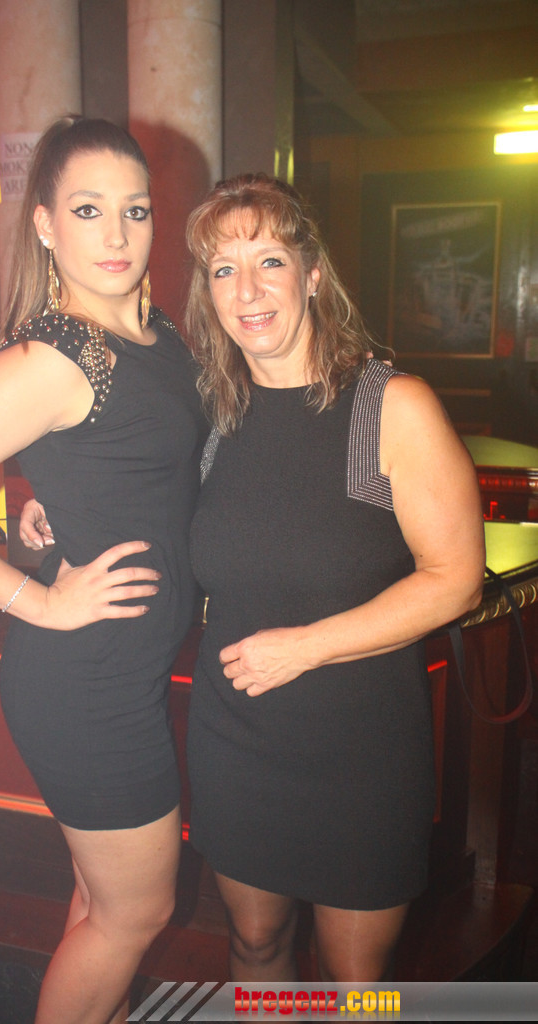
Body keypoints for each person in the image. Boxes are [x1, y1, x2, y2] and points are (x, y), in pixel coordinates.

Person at [0, 116, 206, 1024]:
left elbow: (144, 469)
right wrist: (38, 600)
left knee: (103, 907)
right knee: (136, 914)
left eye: (135, 209)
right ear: (47, 225)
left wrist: (51, 503)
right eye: (88, 210)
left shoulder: (156, 334)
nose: (117, 233)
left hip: (121, 672)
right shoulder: (51, 357)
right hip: (84, 681)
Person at [181, 173, 485, 983]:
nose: (246, 290)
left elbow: (455, 579)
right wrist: (54, 518)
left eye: (268, 261)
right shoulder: (214, 413)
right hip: (235, 735)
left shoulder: (390, 405)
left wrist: (304, 648)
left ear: (312, 275)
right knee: (253, 944)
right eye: (222, 269)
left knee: (358, 983)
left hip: (360, 749)